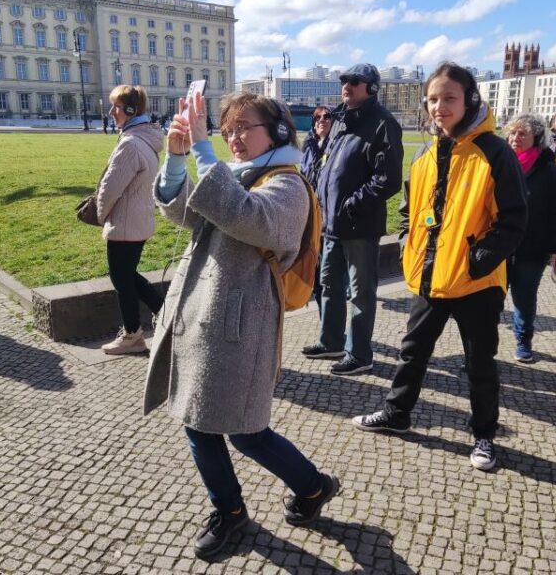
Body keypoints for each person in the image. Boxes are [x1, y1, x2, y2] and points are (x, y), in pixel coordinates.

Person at [143, 91, 340, 560]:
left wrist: (202, 149)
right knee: (198, 422)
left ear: (275, 131)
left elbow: (249, 219)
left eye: (242, 128)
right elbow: (188, 213)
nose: (232, 138)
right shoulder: (238, 175)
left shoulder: (289, 184)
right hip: (203, 317)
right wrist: (174, 161)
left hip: (240, 326)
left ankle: (312, 487)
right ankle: (230, 509)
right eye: (226, 130)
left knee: (246, 431)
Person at [352, 62, 527, 472]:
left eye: (449, 98)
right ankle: (398, 414)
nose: (439, 106)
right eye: (433, 98)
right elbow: (409, 208)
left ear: (469, 100)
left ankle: (484, 433)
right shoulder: (425, 152)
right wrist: (405, 240)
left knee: (479, 362)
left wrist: (476, 261)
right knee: (412, 352)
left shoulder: (494, 152)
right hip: (429, 274)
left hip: (475, 282)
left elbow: (514, 219)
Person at [301, 63, 403, 375]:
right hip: (331, 223)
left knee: (360, 293)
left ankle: (360, 354)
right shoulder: (340, 120)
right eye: (345, 80)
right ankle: (331, 341)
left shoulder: (383, 124)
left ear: (372, 88)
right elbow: (326, 164)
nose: (347, 86)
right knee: (328, 284)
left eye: (355, 82)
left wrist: (351, 205)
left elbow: (388, 179)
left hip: (359, 225)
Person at [96, 85, 165, 354]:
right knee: (126, 276)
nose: (111, 111)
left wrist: (101, 215)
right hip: (138, 220)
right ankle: (164, 313)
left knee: (121, 279)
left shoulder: (131, 144)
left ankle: (132, 334)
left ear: (130, 110)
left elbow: (110, 187)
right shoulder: (145, 139)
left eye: (115, 107)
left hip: (125, 223)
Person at [504, 114, 556, 363]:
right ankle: (481, 347)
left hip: (531, 248)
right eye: (512, 133)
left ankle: (523, 340)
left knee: (524, 298)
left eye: (522, 134)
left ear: (537, 138)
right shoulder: (499, 163)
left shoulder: (548, 170)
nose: (514, 138)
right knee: (488, 301)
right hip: (497, 247)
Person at [300, 105, 333, 313]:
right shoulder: (309, 144)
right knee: (319, 272)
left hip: (330, 219)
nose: (322, 120)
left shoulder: (336, 145)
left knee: (327, 276)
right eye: (318, 117)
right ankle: (327, 331)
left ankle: (330, 332)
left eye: (327, 116)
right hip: (311, 215)